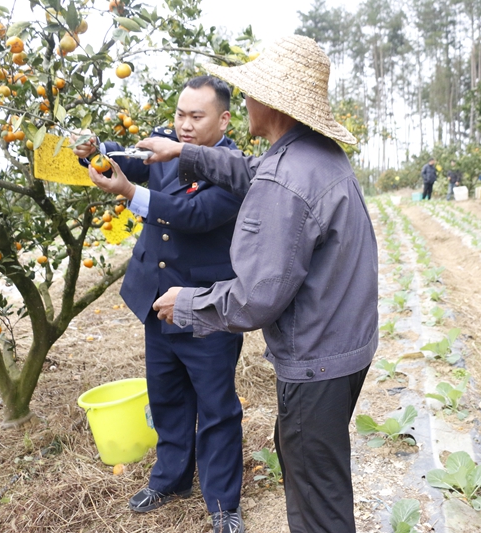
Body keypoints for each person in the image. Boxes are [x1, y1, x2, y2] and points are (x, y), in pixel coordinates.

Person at [140, 35, 378, 533]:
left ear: (270, 102)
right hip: (345, 345)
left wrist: (189, 304)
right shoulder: (313, 154)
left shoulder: (285, 182)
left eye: (250, 92)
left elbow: (257, 298)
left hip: (316, 359)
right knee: (318, 474)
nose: (244, 101)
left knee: (318, 499)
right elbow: (251, 170)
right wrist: (183, 152)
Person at [72, 76, 246, 533]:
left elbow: (193, 215)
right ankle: (171, 479)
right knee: (167, 397)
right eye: (180, 115)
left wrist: (130, 194)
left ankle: (223, 502)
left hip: (206, 307)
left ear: (223, 119)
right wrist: (93, 150)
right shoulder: (166, 144)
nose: (184, 126)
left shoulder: (232, 167)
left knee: (216, 407)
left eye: (197, 117)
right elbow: (127, 155)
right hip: (158, 303)